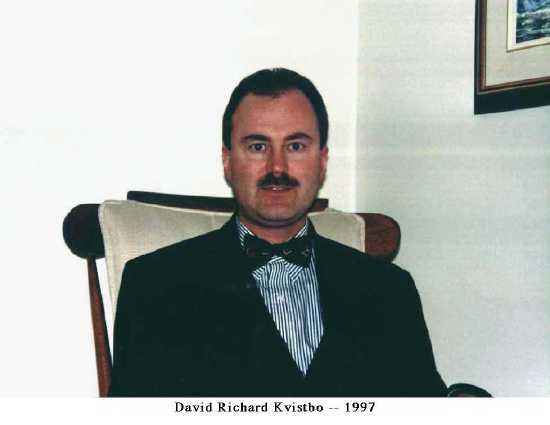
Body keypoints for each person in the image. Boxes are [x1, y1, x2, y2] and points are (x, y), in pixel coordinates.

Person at [108, 68, 447, 397]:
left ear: (322, 161)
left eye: (295, 146)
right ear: (227, 161)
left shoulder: (389, 290)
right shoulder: (155, 286)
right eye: (258, 146)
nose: (277, 167)